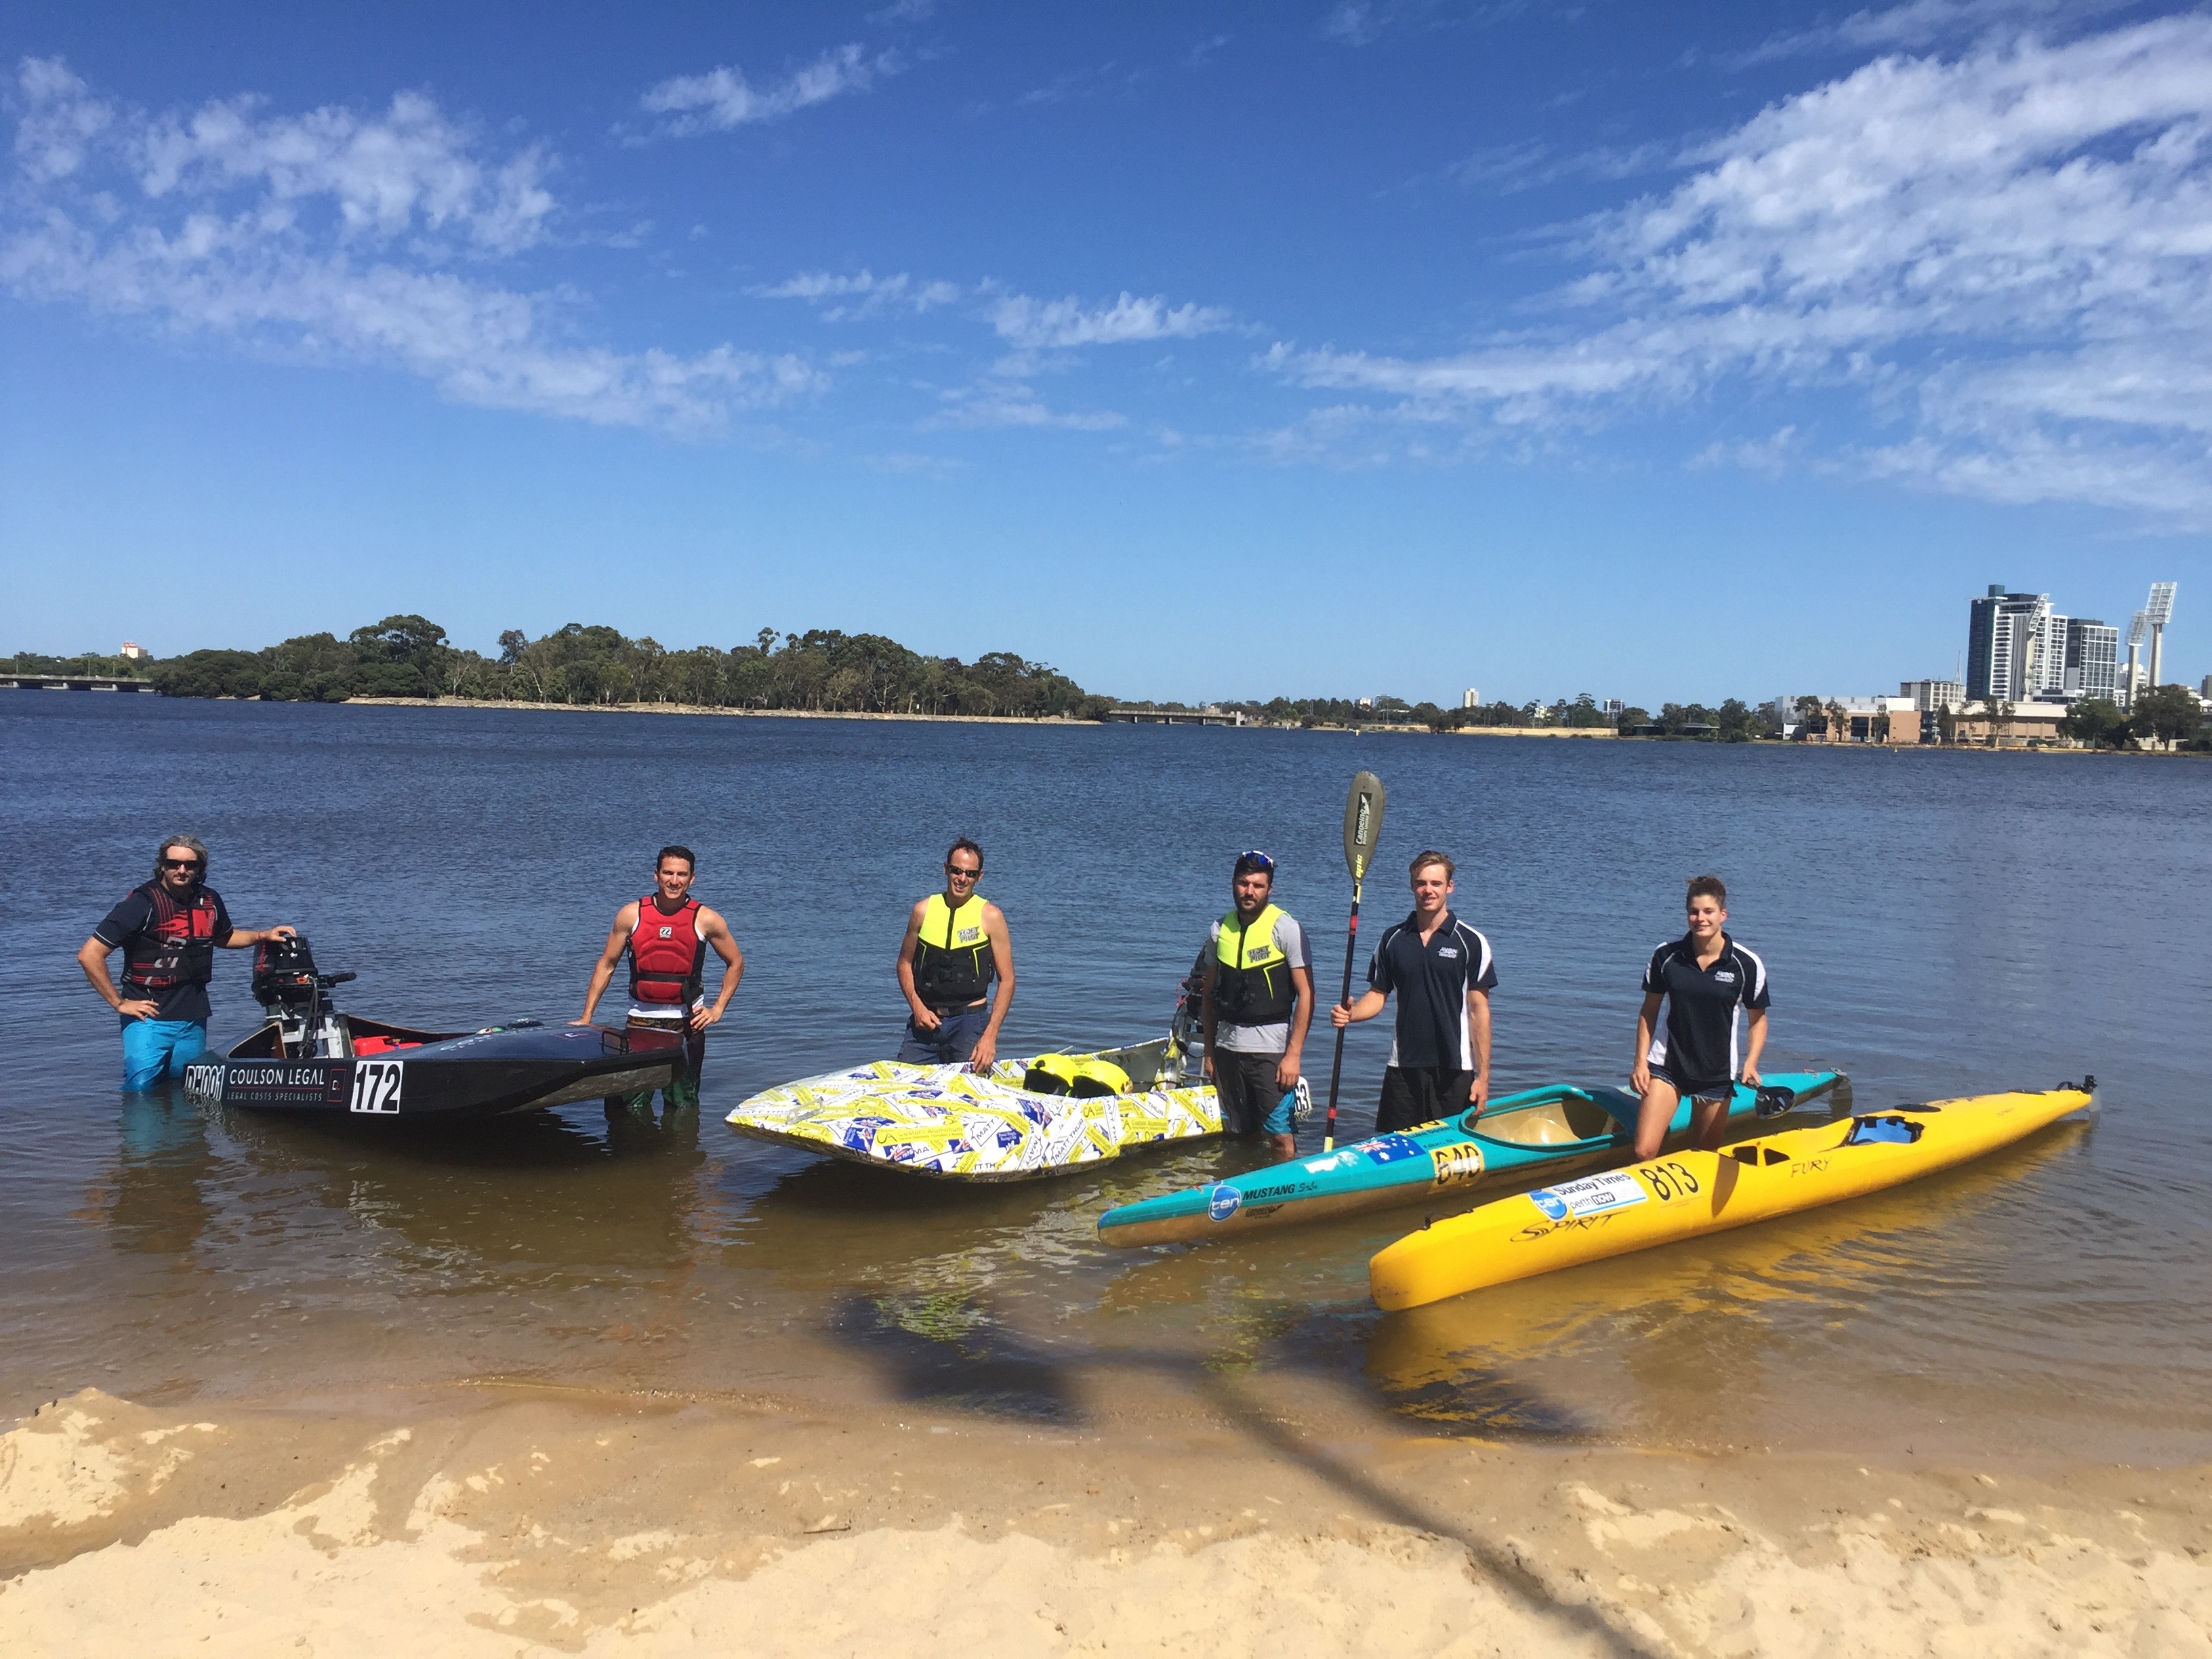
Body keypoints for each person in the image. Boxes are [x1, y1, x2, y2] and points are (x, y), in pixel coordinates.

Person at [79, 835, 297, 1091]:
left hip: (193, 1015)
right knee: (141, 1091)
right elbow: (90, 955)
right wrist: (119, 1003)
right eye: (173, 863)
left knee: (188, 1090)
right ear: (162, 865)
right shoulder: (141, 903)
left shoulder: (209, 900)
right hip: (149, 1017)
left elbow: (224, 937)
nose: (181, 870)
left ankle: (186, 1133)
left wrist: (262, 935)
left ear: (199, 868)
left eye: (189, 865)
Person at [1329, 850, 1496, 1134]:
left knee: (1450, 1149)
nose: (1428, 890)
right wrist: (1351, 1014)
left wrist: (1483, 1077)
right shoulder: (1392, 940)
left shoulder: (1471, 942)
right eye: (1421, 883)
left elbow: (1479, 1011)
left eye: (1436, 884)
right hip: (1403, 1066)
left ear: (1449, 888)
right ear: (1411, 886)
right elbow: (1378, 995)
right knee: (1396, 1150)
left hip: (1455, 1070)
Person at [576, 846, 743, 1113]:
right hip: (640, 1023)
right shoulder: (632, 914)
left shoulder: (707, 919)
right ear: (656, 875)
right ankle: (628, 1154)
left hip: (688, 1025)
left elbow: (736, 963)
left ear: (692, 879)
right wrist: (587, 1016)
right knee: (627, 1108)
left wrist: (718, 1009)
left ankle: (682, 1155)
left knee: (683, 1108)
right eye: (668, 873)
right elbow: (607, 964)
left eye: (681, 874)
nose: (674, 880)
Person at [1629, 874, 1768, 1160]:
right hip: (1668, 1064)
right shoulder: (1666, 956)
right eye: (1694, 912)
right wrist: (1640, 1063)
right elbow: (1649, 1012)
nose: (1700, 919)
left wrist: (1751, 1063)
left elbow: (1758, 1019)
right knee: (1644, 1150)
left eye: (1708, 912)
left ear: (1723, 915)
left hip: (1716, 1072)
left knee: (1703, 1156)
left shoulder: (1746, 964)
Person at [1200, 851, 1314, 1159]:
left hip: (1270, 1050)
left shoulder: (1286, 928)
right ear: (1233, 884)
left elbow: (1306, 994)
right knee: (1237, 1136)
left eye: (1258, 885)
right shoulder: (1219, 929)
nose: (1249, 891)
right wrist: (1209, 1053)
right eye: (1243, 883)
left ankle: (1288, 1196)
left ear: (1269, 890)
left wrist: (1293, 1055)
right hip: (1226, 1049)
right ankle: (1241, 1195)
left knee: (1280, 1137)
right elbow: (1209, 996)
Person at [897, 838, 1015, 1069]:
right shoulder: (923, 911)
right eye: (956, 871)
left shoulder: (990, 916)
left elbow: (1007, 980)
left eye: (970, 874)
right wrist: (917, 1007)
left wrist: (990, 1037)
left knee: (970, 1094)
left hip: (970, 1023)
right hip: (925, 1023)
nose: (962, 879)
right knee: (905, 1087)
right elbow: (904, 964)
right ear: (946, 869)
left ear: (979, 877)